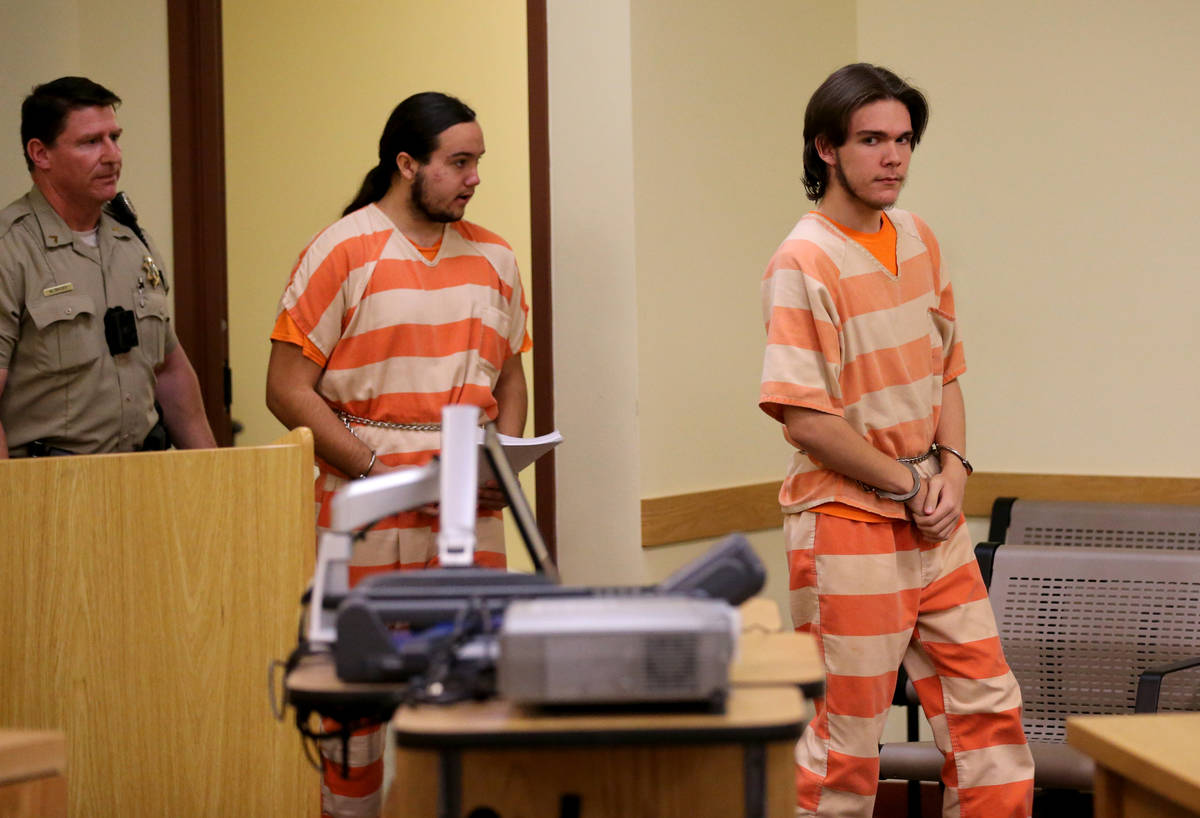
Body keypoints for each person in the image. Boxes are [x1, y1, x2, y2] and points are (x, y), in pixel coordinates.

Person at [758, 64, 1035, 818]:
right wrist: (910, 484)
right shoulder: (803, 260)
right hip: (849, 521)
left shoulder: (918, 237)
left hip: (933, 519)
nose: (894, 158)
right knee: (842, 742)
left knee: (990, 717)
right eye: (873, 140)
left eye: (905, 140)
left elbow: (946, 371)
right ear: (826, 149)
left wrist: (952, 471)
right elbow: (805, 417)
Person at [265, 91, 530, 818]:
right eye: (459, 162)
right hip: (365, 505)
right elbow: (287, 389)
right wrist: (377, 469)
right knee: (360, 701)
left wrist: (502, 459)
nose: (474, 177)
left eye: (479, 162)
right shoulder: (342, 249)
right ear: (406, 163)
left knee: (475, 688)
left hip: (466, 510)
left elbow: (510, 378)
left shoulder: (497, 258)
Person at [0, 77, 215, 457]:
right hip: (52, 489)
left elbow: (170, 371)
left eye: (114, 137)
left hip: (141, 479)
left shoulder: (131, 242)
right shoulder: (12, 250)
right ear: (40, 154)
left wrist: (219, 479)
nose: (112, 155)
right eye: (90, 142)